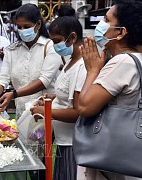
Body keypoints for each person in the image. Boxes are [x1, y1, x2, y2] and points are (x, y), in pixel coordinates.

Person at [77, 0, 142, 179]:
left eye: (106, 20)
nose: (101, 24)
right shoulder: (137, 59)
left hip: (113, 164)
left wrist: (93, 71)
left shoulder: (122, 62)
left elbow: (84, 106)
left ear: (121, 32)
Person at [30, 16, 86, 180]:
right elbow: (68, 94)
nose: (55, 46)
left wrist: (47, 111)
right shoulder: (70, 62)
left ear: (73, 37)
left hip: (72, 145)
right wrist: (52, 97)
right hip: (63, 142)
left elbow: (77, 112)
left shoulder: (81, 67)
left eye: (57, 41)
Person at [0, 3, 62, 119]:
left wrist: (14, 94)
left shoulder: (50, 47)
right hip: (21, 110)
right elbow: (3, 78)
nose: (22, 30)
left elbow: (43, 81)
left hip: (44, 111)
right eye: (19, 27)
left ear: (38, 25)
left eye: (26, 26)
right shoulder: (12, 50)